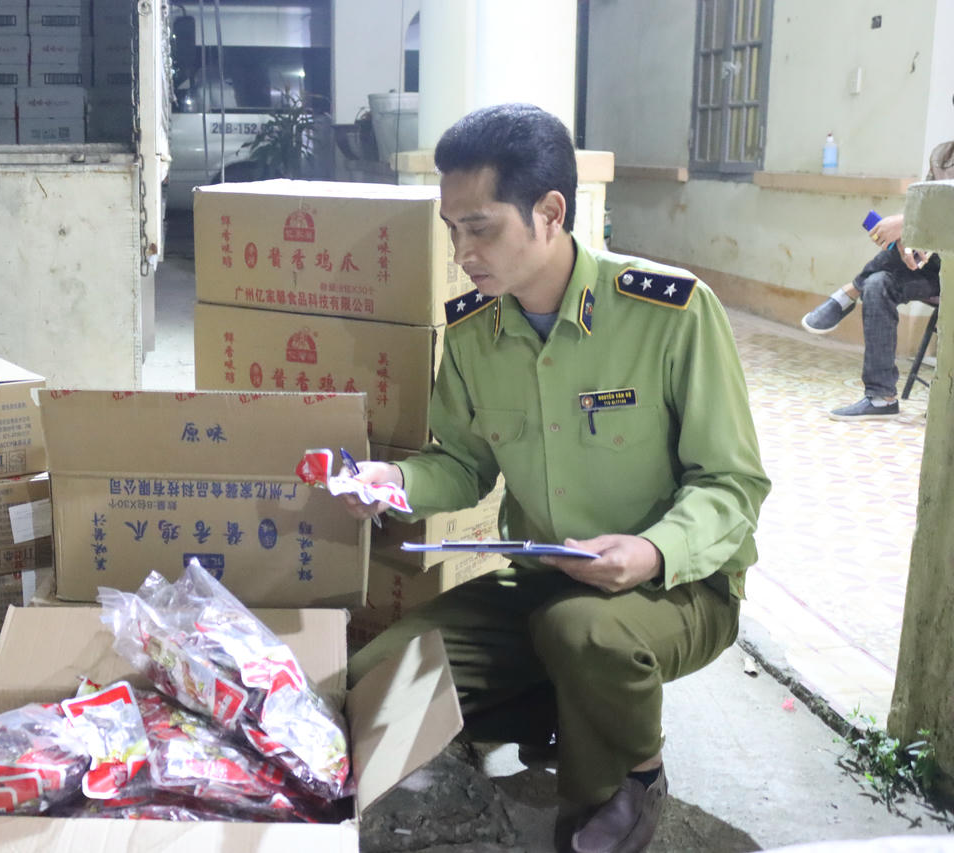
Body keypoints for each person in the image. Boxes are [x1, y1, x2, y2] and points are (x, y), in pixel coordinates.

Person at [338, 103, 770, 853]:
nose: (462, 251)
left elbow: (733, 483)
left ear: (550, 212)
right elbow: (463, 465)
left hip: (678, 587)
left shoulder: (669, 313)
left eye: (480, 227)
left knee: (584, 633)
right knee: (379, 682)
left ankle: (630, 780)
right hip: (545, 580)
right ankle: (565, 706)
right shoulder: (475, 333)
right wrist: (391, 481)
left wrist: (652, 551)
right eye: (452, 229)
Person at [800, 140, 954, 419]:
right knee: (877, 284)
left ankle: (848, 292)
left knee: (878, 270)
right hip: (937, 264)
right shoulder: (943, 155)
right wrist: (910, 239)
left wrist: (907, 223)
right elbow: (929, 205)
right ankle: (882, 398)